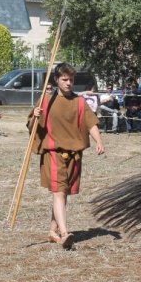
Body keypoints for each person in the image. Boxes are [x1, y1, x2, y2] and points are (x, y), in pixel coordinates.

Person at [28, 63, 105, 249]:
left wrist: (99, 141)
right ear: (56, 80)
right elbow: (32, 127)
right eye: (64, 79)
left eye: (71, 79)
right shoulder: (46, 100)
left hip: (74, 156)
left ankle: (53, 231)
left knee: (64, 194)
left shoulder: (79, 102)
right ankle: (64, 233)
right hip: (53, 154)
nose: (69, 83)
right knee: (59, 192)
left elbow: (91, 123)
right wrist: (35, 116)